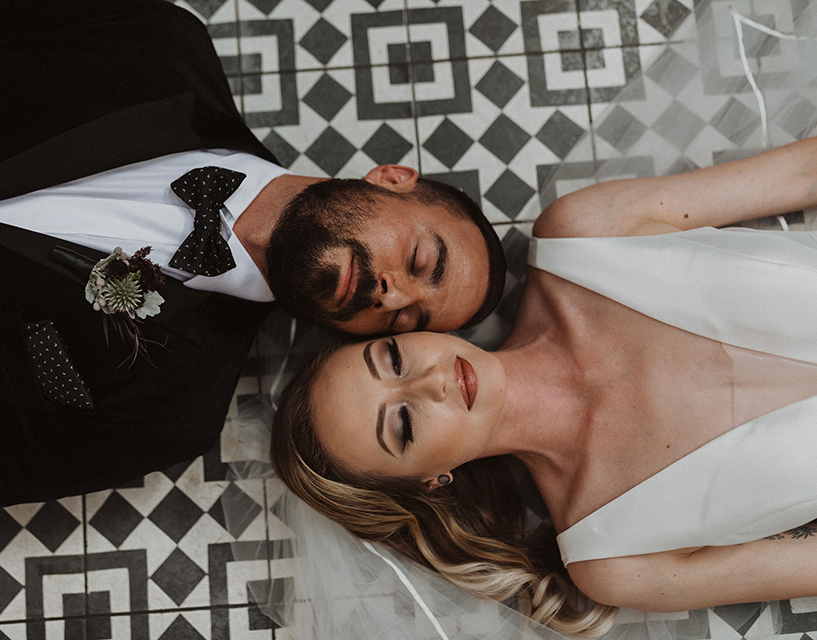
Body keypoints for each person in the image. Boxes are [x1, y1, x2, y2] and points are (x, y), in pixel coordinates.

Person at [0, 0, 504, 514]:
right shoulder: (158, 44)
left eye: (403, 324)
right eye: (421, 261)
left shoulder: (171, 414)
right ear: (391, 179)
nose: (392, 296)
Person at [271, 133, 817, 637]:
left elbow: (802, 172)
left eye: (391, 358)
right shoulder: (614, 559)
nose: (431, 381)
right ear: (430, 482)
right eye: (404, 423)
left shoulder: (581, 236)